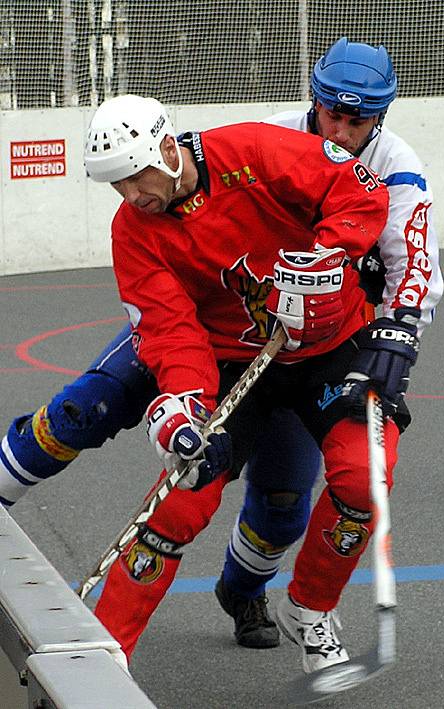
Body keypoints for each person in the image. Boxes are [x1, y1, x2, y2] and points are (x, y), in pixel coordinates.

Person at [83, 90, 413, 676]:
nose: (131, 196)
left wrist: (325, 259)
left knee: (365, 477)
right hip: (236, 362)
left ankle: (310, 607)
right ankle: (101, 656)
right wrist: (181, 407)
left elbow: (361, 191)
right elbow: (169, 329)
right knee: (183, 494)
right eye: (118, 186)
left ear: (165, 147)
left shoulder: (252, 149)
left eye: (135, 178)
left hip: (332, 346)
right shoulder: (135, 230)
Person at [214, 36, 443, 651]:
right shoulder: (268, 137)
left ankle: (265, 592)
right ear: (312, 101)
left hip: (336, 347)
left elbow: (413, 269)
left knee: (301, 497)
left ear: (382, 117)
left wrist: (395, 341)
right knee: (256, 489)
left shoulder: (398, 165)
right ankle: (233, 592)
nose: (339, 132)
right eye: (329, 113)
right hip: (255, 341)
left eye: (357, 119)